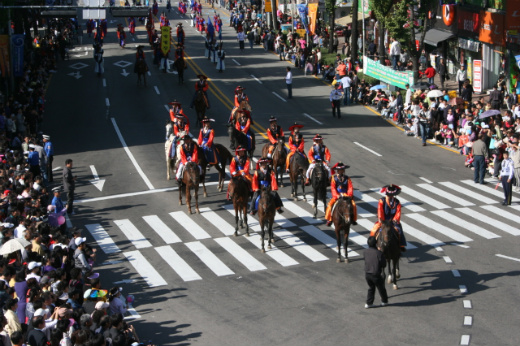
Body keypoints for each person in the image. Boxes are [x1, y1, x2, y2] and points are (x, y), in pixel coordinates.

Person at [370, 184, 407, 252]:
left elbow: (398, 212)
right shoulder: (382, 201)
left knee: (399, 230)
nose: (390, 196)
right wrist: (381, 220)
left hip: (393, 220)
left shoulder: (397, 202)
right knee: (374, 229)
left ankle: (401, 245)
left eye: (392, 195)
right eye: (389, 195)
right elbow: (380, 210)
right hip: (383, 220)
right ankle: (372, 244)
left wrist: (395, 219)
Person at [324, 162, 357, 227]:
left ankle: (353, 219)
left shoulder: (347, 178)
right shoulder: (334, 178)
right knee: (330, 205)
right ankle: (329, 219)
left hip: (346, 195)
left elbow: (350, 187)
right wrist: (336, 195)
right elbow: (333, 188)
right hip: (337, 195)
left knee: (353, 205)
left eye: (342, 170)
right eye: (340, 170)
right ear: (337, 171)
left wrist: (349, 195)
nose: (341, 171)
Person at [364, 236, 388, 309]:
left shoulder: (365, 252)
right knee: (381, 288)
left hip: (367, 273)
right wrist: (380, 252)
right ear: (376, 243)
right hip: (375, 274)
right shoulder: (379, 253)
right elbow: (384, 264)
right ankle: (384, 301)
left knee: (371, 288)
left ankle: (369, 303)